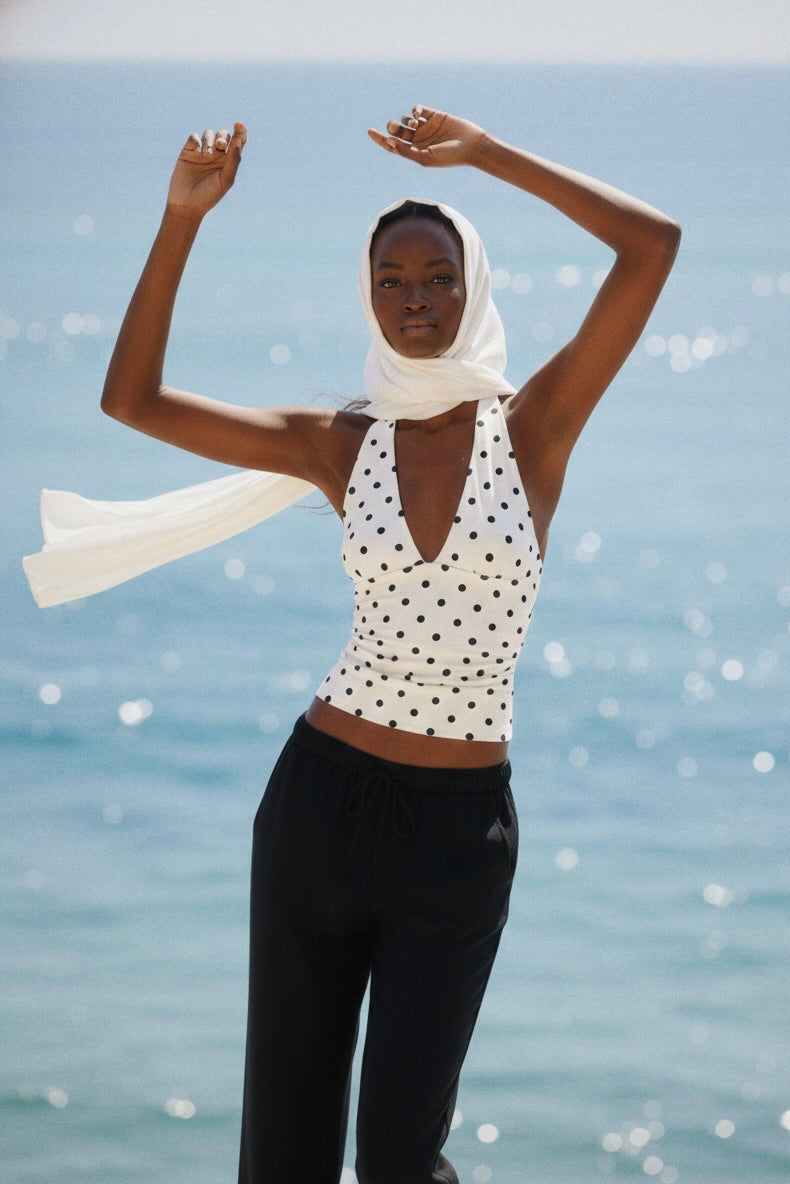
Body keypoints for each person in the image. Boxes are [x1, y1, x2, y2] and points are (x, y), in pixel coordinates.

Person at [30, 106, 680, 1183]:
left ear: (472, 286)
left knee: (396, 1161)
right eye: (391, 279)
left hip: (457, 835)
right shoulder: (338, 445)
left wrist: (483, 155)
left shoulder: (534, 428)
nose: (415, 299)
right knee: (282, 1155)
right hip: (318, 810)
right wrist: (180, 217)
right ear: (366, 295)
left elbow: (650, 246)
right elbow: (129, 398)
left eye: (437, 276)